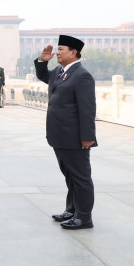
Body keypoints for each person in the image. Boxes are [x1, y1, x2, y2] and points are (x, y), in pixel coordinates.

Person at [35, 35, 97, 230]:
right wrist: (42, 63)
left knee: (81, 178)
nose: (57, 53)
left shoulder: (82, 75)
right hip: (59, 136)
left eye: (61, 49)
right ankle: (71, 211)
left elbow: (87, 109)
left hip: (75, 138)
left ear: (73, 52)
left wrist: (87, 137)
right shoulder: (60, 72)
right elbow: (45, 77)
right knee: (70, 177)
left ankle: (84, 217)